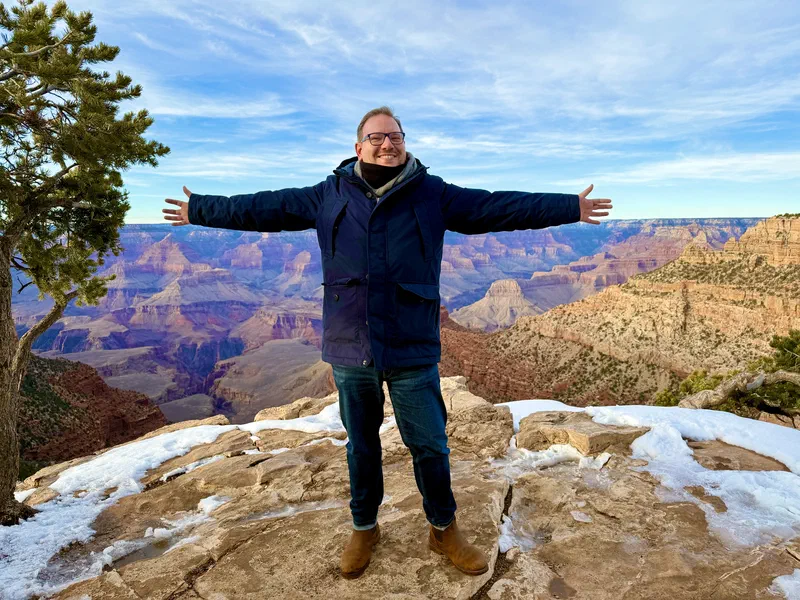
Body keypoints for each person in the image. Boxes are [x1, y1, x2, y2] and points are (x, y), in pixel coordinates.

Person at [163, 106, 612, 580]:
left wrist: (569, 207)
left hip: (411, 341)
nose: (387, 144)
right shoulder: (327, 195)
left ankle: (443, 528)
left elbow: (496, 206)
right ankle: (364, 527)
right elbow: (262, 207)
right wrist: (200, 209)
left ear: (404, 142)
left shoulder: (432, 194)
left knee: (431, 444)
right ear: (358, 147)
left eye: (394, 136)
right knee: (361, 444)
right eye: (376, 137)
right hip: (350, 340)